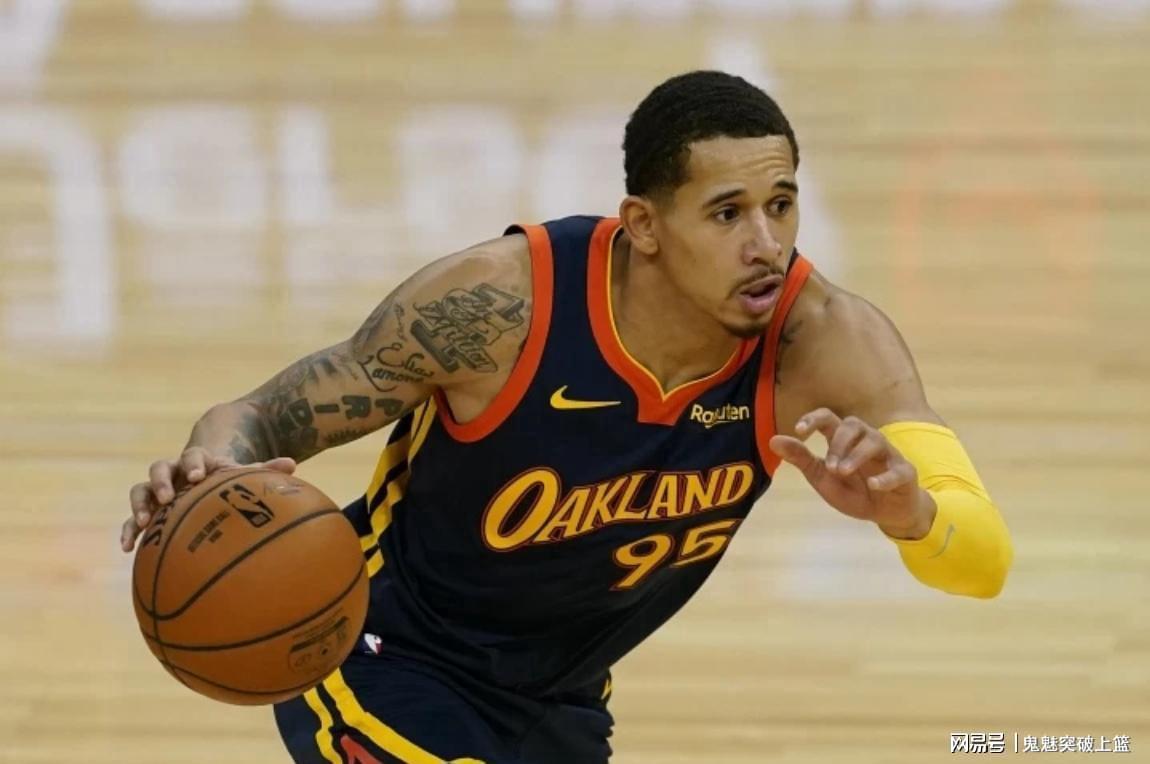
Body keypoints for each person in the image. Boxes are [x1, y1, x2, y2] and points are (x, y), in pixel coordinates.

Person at [121, 70, 1013, 764]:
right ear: (644, 225)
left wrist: (913, 514)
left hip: (560, 697)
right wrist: (211, 469)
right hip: (383, 651)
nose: (766, 245)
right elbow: (260, 418)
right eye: (727, 214)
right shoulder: (497, 308)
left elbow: (985, 563)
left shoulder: (824, 341)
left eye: (781, 205)